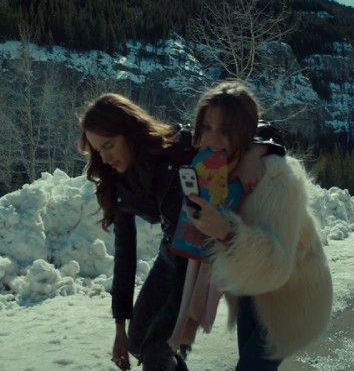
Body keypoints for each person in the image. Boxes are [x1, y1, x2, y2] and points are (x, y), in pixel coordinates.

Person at [78, 93, 284, 371]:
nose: (105, 158)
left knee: (157, 350)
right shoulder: (117, 186)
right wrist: (119, 327)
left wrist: (256, 151)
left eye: (109, 145)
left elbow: (256, 126)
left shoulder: (175, 146)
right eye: (97, 150)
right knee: (137, 343)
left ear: (129, 133)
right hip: (170, 256)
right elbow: (124, 256)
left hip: (200, 263)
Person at [184, 81, 333, 370]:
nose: (212, 140)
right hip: (251, 293)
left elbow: (278, 266)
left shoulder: (276, 179)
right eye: (206, 127)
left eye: (225, 130)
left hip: (293, 301)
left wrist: (226, 232)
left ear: (244, 133)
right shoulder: (216, 169)